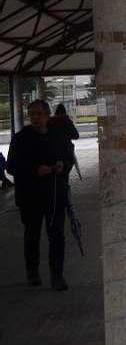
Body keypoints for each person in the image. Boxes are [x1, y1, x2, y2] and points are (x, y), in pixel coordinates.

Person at [6, 99, 75, 291]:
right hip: (30, 196)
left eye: (39, 114)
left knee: (57, 236)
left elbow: (69, 157)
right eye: (32, 114)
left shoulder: (58, 135)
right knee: (32, 235)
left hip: (55, 194)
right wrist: (35, 171)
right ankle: (33, 272)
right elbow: (11, 166)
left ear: (47, 115)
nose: (36, 118)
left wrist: (63, 166)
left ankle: (57, 275)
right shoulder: (20, 138)